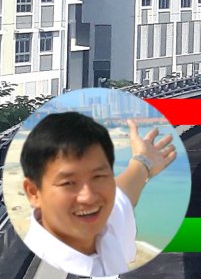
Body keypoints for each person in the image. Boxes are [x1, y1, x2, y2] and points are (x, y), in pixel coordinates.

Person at [19, 112, 178, 277]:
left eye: (98, 176)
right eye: (68, 183)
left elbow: (121, 196)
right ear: (33, 192)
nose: (88, 197)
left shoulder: (103, 225)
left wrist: (143, 162)